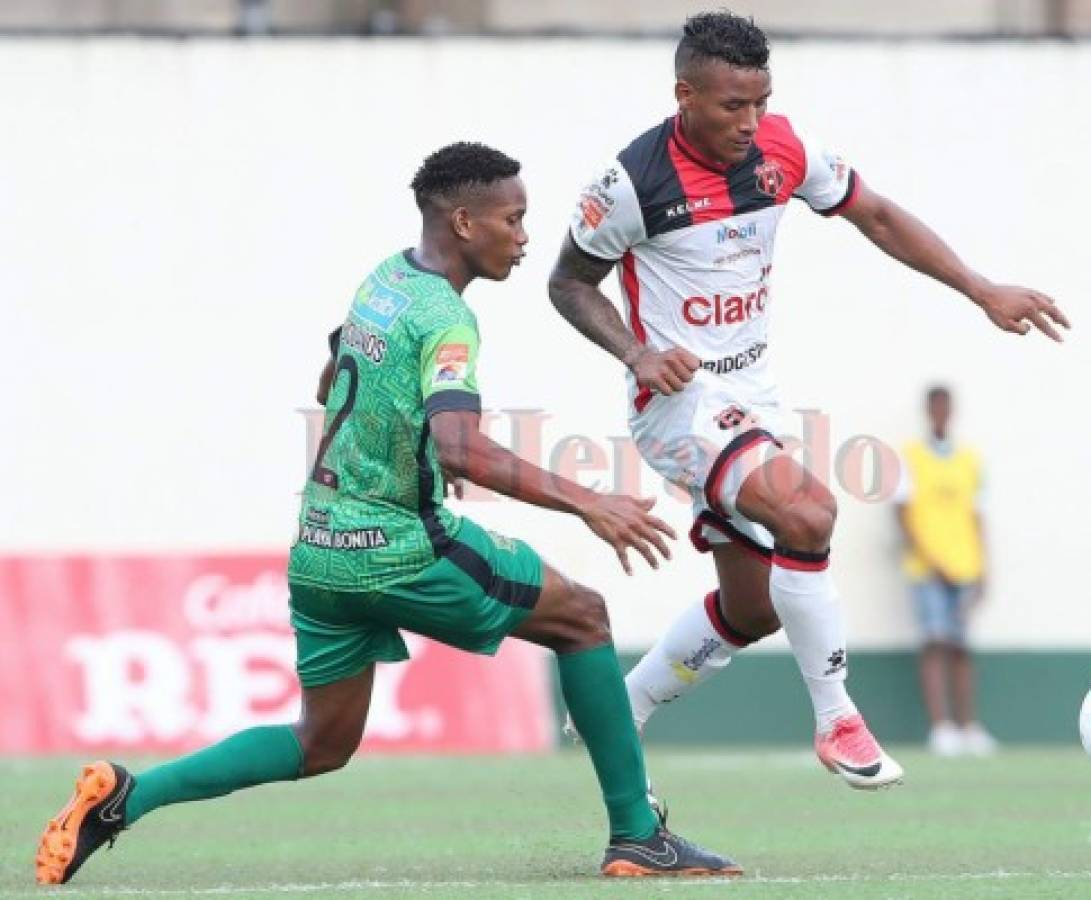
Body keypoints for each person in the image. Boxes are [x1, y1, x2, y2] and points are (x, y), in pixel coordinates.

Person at [34, 143, 740, 885]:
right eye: (514, 218)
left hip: (319, 547)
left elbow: (337, 366)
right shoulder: (447, 319)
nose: (526, 236)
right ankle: (636, 835)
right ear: (465, 222)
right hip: (399, 548)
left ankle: (126, 797)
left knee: (321, 744)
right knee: (583, 618)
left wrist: (412, 449)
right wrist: (589, 500)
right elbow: (462, 446)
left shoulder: (386, 279)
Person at [547, 12, 1069, 791]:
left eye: (760, 102)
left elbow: (879, 217)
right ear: (683, 95)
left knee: (753, 609)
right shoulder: (630, 182)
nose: (749, 123)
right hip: (679, 405)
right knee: (810, 513)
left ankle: (619, 711)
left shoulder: (783, 149)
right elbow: (567, 283)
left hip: (754, 398)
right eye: (731, 106)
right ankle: (836, 719)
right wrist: (637, 352)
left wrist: (980, 287)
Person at [895, 386, 996, 757]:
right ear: (928, 410)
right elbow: (902, 513)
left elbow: (977, 515)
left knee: (961, 645)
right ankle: (942, 728)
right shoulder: (910, 457)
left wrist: (983, 567)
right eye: (935, 407)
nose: (941, 413)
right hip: (927, 569)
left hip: (964, 566)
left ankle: (969, 726)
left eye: (946, 407)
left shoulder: (969, 458)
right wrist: (931, 559)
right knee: (935, 641)